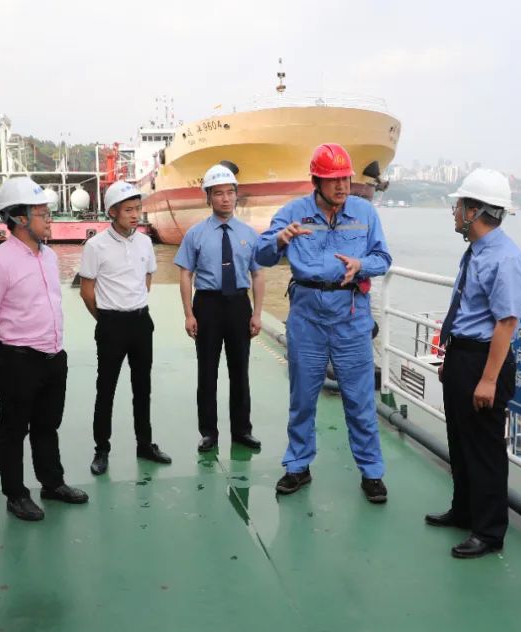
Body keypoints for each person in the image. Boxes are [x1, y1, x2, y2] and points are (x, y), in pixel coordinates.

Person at [255, 143, 391, 503]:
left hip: (351, 316)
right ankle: (298, 465)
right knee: (302, 397)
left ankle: (372, 473)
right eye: (333, 180)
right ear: (316, 181)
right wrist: (279, 239)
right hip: (307, 318)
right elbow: (260, 254)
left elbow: (382, 257)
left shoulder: (364, 213)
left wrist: (361, 265)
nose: (342, 186)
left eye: (345, 178)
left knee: (360, 400)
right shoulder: (293, 213)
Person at [423, 169, 521, 559]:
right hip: (463, 356)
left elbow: (506, 322)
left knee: (484, 449)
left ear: (475, 211)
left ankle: (489, 530)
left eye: (459, 206)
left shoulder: (505, 258)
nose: (454, 212)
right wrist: (450, 358)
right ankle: (464, 509)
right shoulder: (477, 252)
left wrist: (488, 379)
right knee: (460, 440)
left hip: (485, 361)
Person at [0, 176, 88, 521]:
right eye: (42, 213)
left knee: (47, 425)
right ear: (19, 218)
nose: (49, 219)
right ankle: (16, 494)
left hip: (54, 356)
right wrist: (8, 351)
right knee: (13, 430)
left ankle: (52, 483)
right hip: (19, 359)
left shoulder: (49, 256)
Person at [79, 181, 171, 476]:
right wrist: (107, 319)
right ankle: (101, 449)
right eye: (128, 210)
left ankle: (144, 444)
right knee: (105, 389)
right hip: (111, 325)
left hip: (141, 323)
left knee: (142, 388)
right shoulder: (96, 246)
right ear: (112, 212)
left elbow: (147, 278)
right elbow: (86, 291)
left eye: (137, 209)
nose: (135, 215)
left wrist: (134, 306)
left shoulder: (144, 242)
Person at [174, 164, 264, 453]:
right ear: (208, 198)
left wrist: (257, 313)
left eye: (230, 193)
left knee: (240, 371)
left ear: (237, 195)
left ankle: (242, 430)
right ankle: (208, 433)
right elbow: (185, 274)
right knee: (207, 371)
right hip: (208, 304)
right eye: (218, 193)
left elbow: (258, 274)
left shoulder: (249, 234)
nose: (225, 198)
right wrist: (189, 314)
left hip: (238, 304)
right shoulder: (196, 234)